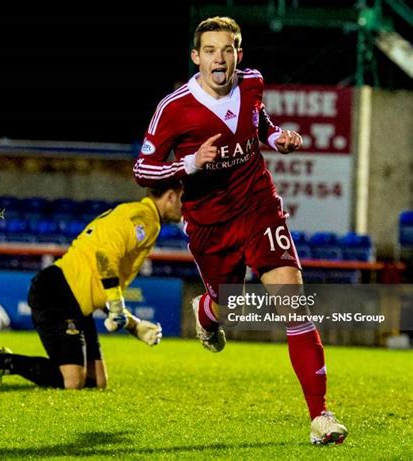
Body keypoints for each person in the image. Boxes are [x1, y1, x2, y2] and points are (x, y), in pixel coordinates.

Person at [133, 16, 347, 445]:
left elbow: (259, 120)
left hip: (258, 205)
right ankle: (207, 312)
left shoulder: (252, 83)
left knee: (293, 302)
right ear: (196, 58)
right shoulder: (174, 108)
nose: (220, 57)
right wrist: (192, 163)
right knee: (229, 304)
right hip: (210, 222)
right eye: (210, 50)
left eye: (227, 49)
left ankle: (320, 415)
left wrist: (276, 138)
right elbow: (143, 168)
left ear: (238, 55)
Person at [0, 180, 184, 390]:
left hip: (74, 298)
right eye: (186, 199)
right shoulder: (145, 219)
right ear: (171, 197)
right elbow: (104, 256)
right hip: (57, 293)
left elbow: (99, 283)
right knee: (73, 381)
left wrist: (133, 325)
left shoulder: (137, 214)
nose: (188, 207)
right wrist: (116, 304)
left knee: (96, 382)